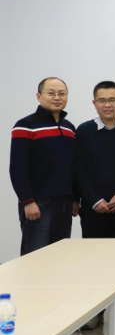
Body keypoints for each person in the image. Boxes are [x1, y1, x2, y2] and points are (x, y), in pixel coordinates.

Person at [75, 81, 115, 331]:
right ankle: (96, 311)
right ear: (94, 103)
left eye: (113, 99)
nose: (107, 104)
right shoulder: (84, 131)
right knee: (95, 261)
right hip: (93, 208)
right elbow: (78, 169)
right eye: (102, 100)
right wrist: (93, 199)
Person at [10, 77, 78, 256]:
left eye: (62, 93)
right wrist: (27, 201)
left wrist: (74, 198)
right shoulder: (25, 125)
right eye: (51, 93)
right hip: (39, 203)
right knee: (35, 257)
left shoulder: (69, 128)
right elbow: (17, 166)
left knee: (59, 256)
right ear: (39, 96)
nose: (57, 97)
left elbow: (73, 167)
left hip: (65, 203)